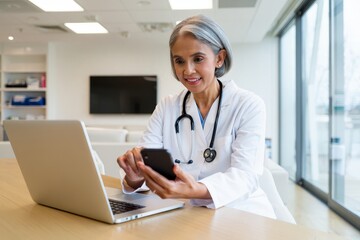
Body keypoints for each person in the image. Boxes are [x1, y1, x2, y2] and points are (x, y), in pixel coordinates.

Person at [117, 15, 276, 219]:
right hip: (186, 213)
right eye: (179, 61)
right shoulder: (167, 107)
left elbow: (245, 176)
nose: (188, 70)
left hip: (241, 212)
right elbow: (147, 165)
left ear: (219, 58)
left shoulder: (248, 105)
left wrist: (196, 190)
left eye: (198, 59)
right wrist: (135, 177)